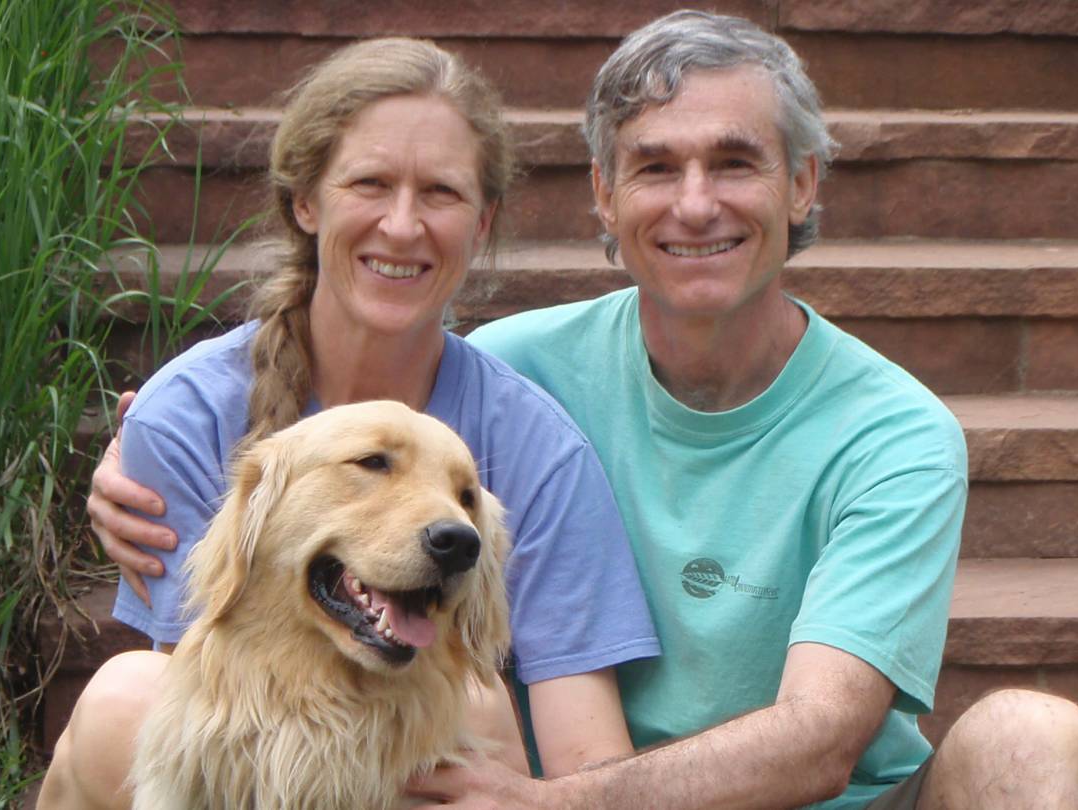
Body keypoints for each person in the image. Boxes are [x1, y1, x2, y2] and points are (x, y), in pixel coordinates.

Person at [83, 12, 1078, 810]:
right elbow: (349, 456)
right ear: (604, 203)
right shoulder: (512, 375)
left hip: (760, 797)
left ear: (802, 185)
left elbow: (822, 739)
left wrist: (550, 800)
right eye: (657, 167)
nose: (695, 203)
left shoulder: (894, 432)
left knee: (1037, 737)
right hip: (568, 781)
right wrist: (158, 443)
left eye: (735, 162)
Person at [36, 38, 659, 810]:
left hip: (435, 768)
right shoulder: (190, 411)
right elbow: (211, 694)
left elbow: (585, 757)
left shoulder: (534, 441)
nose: (402, 226)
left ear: (481, 220)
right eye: (370, 183)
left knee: (480, 706)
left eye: (441, 193)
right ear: (306, 201)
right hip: (248, 771)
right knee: (122, 701)